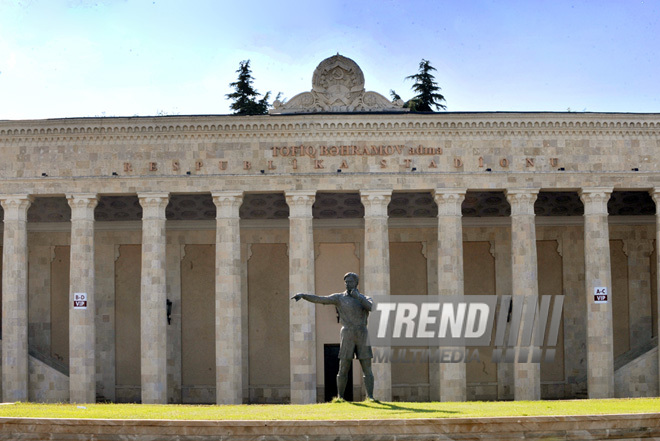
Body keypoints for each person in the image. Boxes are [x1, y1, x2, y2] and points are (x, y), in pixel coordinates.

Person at [292, 272, 375, 401]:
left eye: (350, 281)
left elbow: (371, 307)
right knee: (343, 366)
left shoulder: (365, 298)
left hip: (362, 333)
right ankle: (340, 396)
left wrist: (358, 297)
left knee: (366, 366)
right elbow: (321, 299)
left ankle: (370, 396)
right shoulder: (339, 298)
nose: (347, 284)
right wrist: (303, 296)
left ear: (356, 283)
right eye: (346, 281)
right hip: (347, 332)